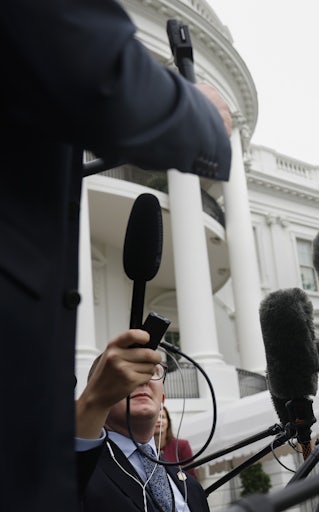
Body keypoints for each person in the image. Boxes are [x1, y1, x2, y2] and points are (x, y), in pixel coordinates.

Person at [1, 1, 231, 510]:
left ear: (168, 397)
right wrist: (199, 116)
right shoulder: (85, 461)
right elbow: (99, 70)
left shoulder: (187, 483)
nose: (147, 378)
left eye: (154, 374)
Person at [76, 331, 209, 511]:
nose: (143, 380)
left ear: (162, 399)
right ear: (103, 392)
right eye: (126, 373)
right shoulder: (78, 472)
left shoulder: (192, 488)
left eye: (152, 372)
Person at [156, 406, 198, 480]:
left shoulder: (182, 446)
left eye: (162, 417)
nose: (159, 420)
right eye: (155, 417)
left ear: (168, 421)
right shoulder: (142, 448)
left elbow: (192, 477)